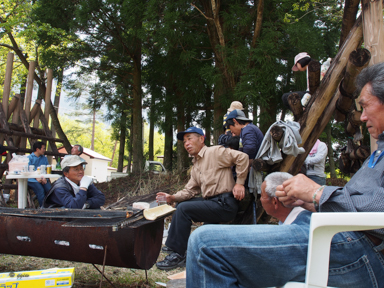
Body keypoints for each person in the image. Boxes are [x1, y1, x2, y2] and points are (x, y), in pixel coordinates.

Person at [186, 62, 384, 288]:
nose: (362, 116)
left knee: (204, 244)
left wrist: (318, 193)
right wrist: (310, 202)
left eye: (366, 106)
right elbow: (359, 200)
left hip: (358, 247)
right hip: (342, 236)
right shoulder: (378, 151)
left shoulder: (248, 131)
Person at [155, 127, 249, 270]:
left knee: (184, 209)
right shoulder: (196, 165)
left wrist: (239, 183)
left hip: (225, 204)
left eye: (190, 139)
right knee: (181, 205)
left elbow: (242, 157)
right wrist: (172, 197)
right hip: (212, 203)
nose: (186, 143)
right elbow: (190, 190)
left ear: (201, 139)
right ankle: (177, 247)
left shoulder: (215, 152)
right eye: (184, 141)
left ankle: (178, 254)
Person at [28, 141, 51, 207]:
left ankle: (50, 207)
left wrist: (44, 178)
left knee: (50, 190)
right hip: (31, 179)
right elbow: (28, 171)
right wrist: (36, 177)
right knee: (40, 190)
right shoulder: (29, 158)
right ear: (37, 149)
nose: (44, 150)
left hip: (42, 178)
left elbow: (47, 169)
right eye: (43, 148)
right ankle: (43, 208)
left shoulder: (44, 158)